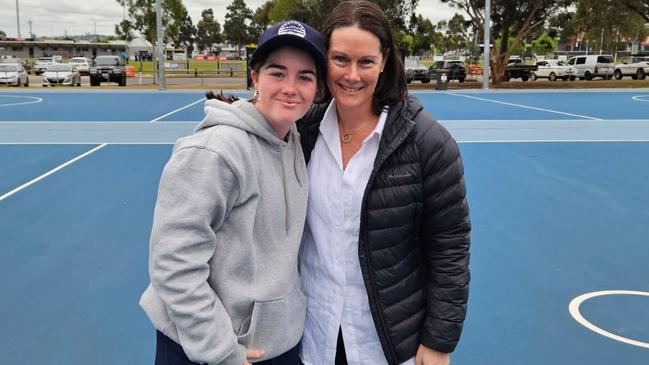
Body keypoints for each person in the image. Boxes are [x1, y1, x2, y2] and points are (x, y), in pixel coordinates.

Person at [139, 20, 326, 365]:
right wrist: (222, 351)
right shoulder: (215, 151)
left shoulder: (294, 140)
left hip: (277, 343)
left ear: (316, 88)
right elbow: (173, 264)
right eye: (277, 73)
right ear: (255, 78)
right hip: (209, 351)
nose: (290, 87)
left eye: (304, 76)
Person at [297, 2, 471, 365]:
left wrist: (438, 341)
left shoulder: (428, 144)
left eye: (366, 62)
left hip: (386, 345)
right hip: (312, 337)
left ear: (385, 61)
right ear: (323, 59)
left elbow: (449, 246)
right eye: (340, 59)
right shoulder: (302, 131)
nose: (352, 75)